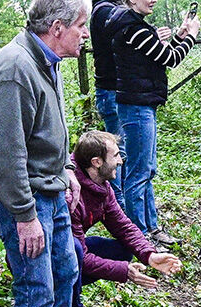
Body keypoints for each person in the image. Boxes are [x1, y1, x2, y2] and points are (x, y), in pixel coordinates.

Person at [0, 0, 113, 307]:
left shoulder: (45, 60)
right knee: (36, 288)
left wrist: (66, 171)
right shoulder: (14, 70)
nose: (86, 33)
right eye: (81, 25)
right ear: (57, 26)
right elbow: (8, 154)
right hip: (25, 202)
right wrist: (24, 215)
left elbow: (43, 135)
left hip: (51, 192)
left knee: (66, 274)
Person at [68, 131, 183, 307]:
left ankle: (62, 298)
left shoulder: (101, 186)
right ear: (97, 162)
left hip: (73, 250)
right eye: (116, 155)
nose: (121, 161)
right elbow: (78, 257)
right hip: (48, 259)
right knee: (74, 254)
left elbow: (123, 225)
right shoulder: (72, 193)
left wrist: (150, 254)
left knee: (121, 250)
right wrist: (124, 271)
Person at [112, 0, 200, 247]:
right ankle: (138, 236)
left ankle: (152, 228)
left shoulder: (137, 25)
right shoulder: (133, 28)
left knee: (147, 171)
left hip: (143, 104)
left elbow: (157, 59)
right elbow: (171, 60)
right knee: (138, 173)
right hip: (136, 106)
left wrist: (180, 36)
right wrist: (191, 37)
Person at [89, 0, 127, 206]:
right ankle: (117, 206)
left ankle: (122, 205)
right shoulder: (105, 12)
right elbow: (124, 43)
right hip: (111, 92)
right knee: (117, 153)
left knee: (123, 152)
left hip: (115, 91)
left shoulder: (108, 11)